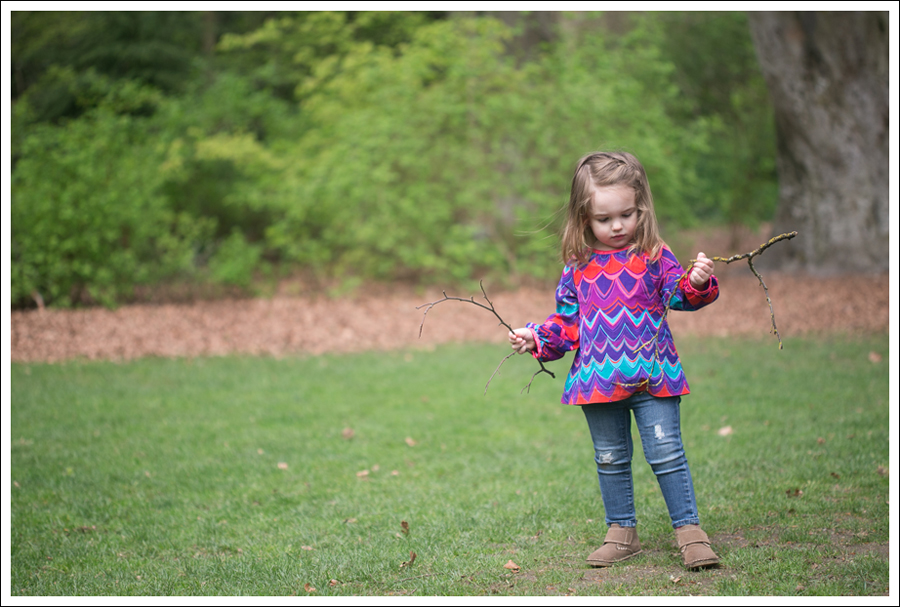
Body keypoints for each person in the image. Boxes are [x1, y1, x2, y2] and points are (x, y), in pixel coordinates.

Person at [508, 151, 720, 570]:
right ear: (584, 218)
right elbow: (566, 325)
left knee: (667, 453)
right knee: (609, 457)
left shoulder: (655, 255)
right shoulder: (578, 267)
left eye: (627, 214)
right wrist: (536, 337)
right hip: (598, 382)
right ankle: (622, 532)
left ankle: (689, 531)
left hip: (652, 377)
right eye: (604, 219)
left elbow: (679, 294)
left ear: (642, 208)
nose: (618, 226)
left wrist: (697, 282)